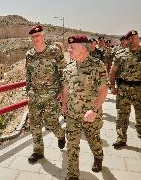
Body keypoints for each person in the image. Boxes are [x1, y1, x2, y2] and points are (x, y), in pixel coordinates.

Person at [62, 35, 108, 180]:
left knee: (93, 140)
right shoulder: (68, 68)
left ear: (82, 49)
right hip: (72, 115)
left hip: (91, 115)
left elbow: (103, 89)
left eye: (72, 47)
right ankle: (73, 175)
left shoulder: (97, 65)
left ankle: (98, 156)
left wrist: (94, 110)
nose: (69, 50)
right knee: (72, 145)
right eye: (69, 47)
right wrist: (63, 106)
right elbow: (65, 89)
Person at [26, 25, 66, 163]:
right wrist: (28, 91)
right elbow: (28, 75)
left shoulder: (54, 51)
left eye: (38, 36)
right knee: (34, 124)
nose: (35, 39)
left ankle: (61, 135)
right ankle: (38, 152)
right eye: (33, 37)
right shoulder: (29, 54)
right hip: (34, 96)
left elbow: (64, 72)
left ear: (43, 36)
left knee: (51, 123)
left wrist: (62, 91)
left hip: (51, 96)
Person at [109, 30, 141, 149]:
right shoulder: (120, 54)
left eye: (135, 37)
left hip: (139, 90)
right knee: (122, 115)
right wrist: (112, 86)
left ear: (138, 39)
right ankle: (121, 138)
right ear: (127, 40)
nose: (133, 40)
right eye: (130, 38)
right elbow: (113, 72)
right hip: (123, 90)